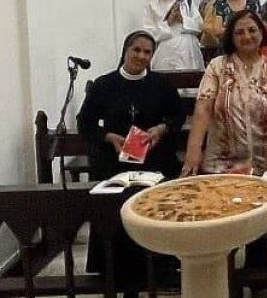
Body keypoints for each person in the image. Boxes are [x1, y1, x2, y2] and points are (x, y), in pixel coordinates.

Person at [78, 30, 186, 294]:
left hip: (154, 161)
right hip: (116, 164)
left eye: (147, 52)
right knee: (118, 212)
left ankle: (160, 271)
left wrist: (161, 129)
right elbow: (85, 122)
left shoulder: (161, 84)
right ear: (125, 50)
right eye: (136, 50)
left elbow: (178, 115)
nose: (141, 56)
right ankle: (119, 275)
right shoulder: (104, 84)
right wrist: (108, 136)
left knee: (154, 211)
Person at [183, 9, 267, 176]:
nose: (247, 36)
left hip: (266, 162)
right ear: (231, 38)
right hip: (222, 163)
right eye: (239, 32)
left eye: (252, 30)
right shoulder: (216, 67)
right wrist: (193, 150)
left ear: (262, 33)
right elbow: (203, 109)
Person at [142, 0, 204, 71]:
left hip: (188, 52)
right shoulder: (152, 5)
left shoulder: (186, 2)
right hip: (165, 53)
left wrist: (183, 20)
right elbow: (149, 32)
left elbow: (200, 25)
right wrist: (168, 23)